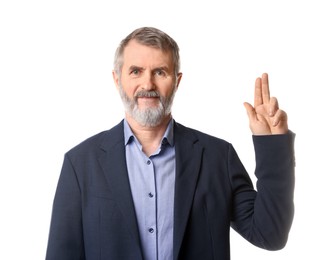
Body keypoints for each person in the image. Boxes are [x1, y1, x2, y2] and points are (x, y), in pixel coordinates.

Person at [45, 27, 295, 260]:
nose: (147, 85)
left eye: (160, 72)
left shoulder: (218, 157)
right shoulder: (80, 164)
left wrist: (271, 145)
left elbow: (270, 234)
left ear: (177, 81)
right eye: (135, 71)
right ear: (117, 79)